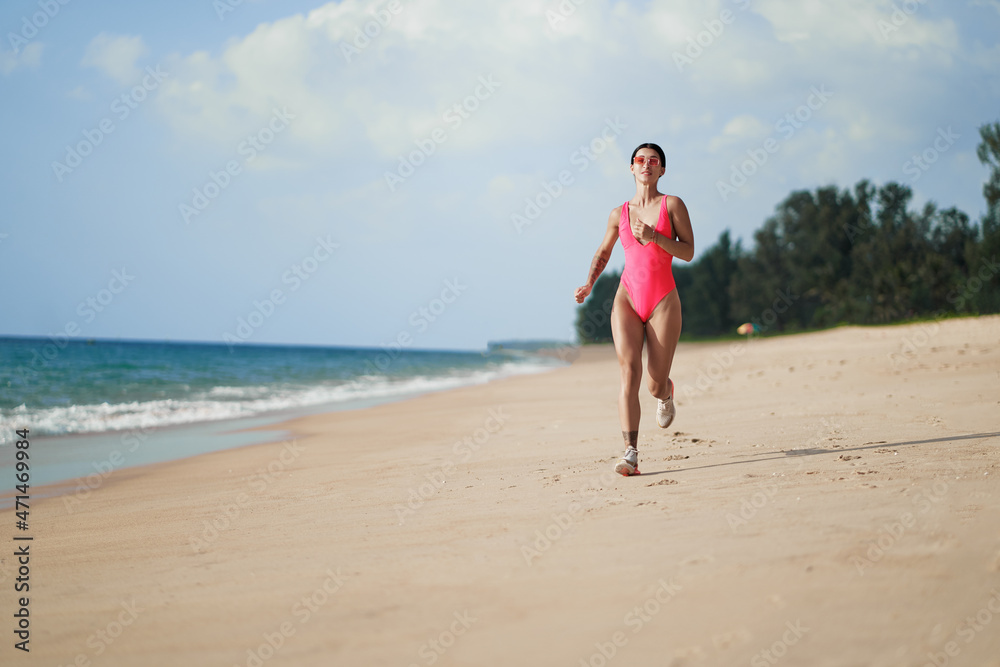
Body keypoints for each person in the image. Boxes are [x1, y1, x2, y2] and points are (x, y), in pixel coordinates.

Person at [574, 143, 695, 476]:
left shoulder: (672, 205)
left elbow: (688, 252)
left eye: (653, 161)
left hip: (663, 300)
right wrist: (589, 283)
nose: (647, 165)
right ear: (631, 168)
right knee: (629, 371)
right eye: (640, 160)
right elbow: (603, 252)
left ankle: (666, 392)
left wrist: (655, 236)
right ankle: (631, 453)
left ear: (661, 170)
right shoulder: (619, 213)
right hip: (627, 297)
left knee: (654, 382)